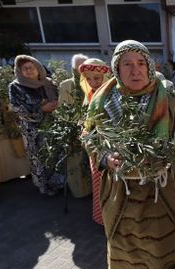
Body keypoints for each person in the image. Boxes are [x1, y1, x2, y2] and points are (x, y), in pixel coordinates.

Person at [82, 40, 175, 269]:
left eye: (141, 62)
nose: (136, 70)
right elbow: (89, 138)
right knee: (125, 252)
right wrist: (105, 158)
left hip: (159, 194)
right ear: (117, 69)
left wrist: (165, 153)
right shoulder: (101, 102)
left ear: (150, 66)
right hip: (120, 192)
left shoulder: (169, 100)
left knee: (162, 251)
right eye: (127, 64)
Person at [9, 55, 65, 195]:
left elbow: (61, 99)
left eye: (31, 67)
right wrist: (41, 109)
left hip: (53, 125)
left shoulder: (49, 83)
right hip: (33, 129)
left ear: (38, 68)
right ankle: (45, 187)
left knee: (56, 153)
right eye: (24, 68)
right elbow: (17, 108)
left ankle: (60, 183)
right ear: (19, 71)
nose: (28, 71)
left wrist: (57, 106)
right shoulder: (15, 87)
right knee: (39, 157)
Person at [78, 58, 112, 225]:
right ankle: (103, 219)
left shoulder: (113, 96)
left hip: (110, 150)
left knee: (112, 186)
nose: (92, 82)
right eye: (88, 79)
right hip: (95, 149)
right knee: (99, 184)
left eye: (97, 78)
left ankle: (113, 220)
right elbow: (88, 123)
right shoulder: (90, 95)